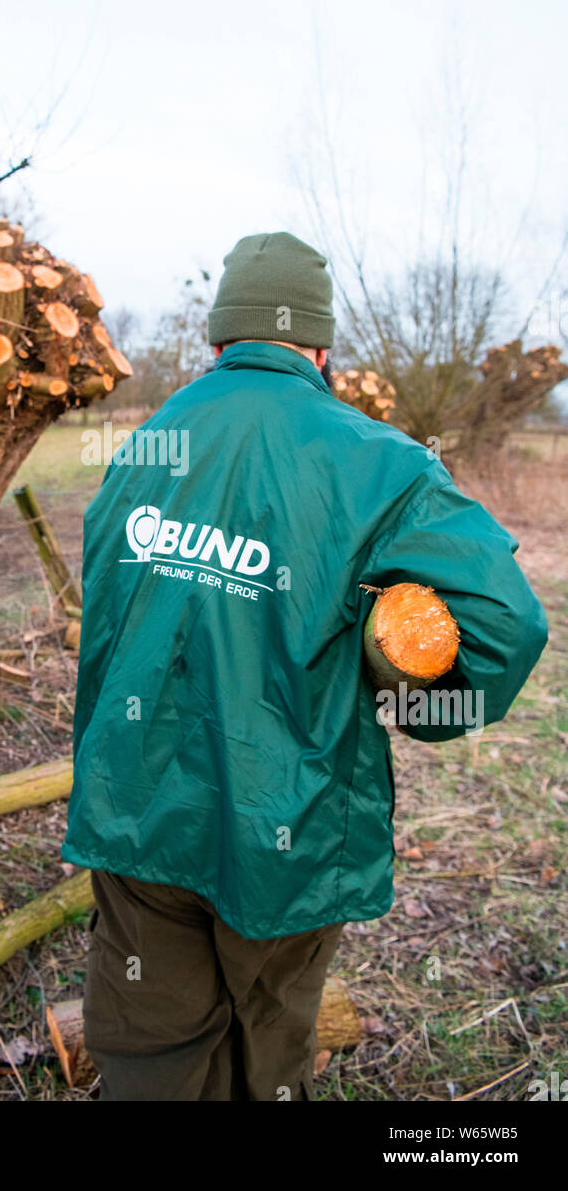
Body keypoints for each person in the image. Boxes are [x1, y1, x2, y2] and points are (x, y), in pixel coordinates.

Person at [61, 231, 548, 1101]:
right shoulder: (382, 463)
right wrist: (425, 710)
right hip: (282, 824)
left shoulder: (148, 443)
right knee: (270, 1039)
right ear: (321, 348)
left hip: (135, 806)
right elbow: (507, 623)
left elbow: (104, 611)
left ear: (220, 341)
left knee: (150, 1047)